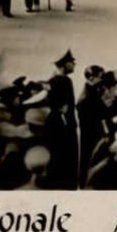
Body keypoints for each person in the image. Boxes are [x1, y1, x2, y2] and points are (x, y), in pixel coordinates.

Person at [45, 50, 79, 189]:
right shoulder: (65, 81)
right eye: (72, 62)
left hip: (57, 127)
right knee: (68, 160)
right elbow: (65, 108)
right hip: (65, 128)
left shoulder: (52, 81)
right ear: (65, 65)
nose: (74, 65)